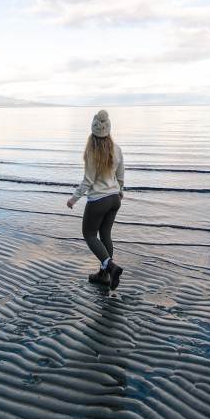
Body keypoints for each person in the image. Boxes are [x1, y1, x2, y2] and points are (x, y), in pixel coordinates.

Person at [66, 110, 125, 290]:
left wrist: (73, 199)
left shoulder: (92, 151)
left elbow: (89, 181)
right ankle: (104, 276)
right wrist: (120, 191)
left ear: (93, 131)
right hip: (115, 199)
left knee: (90, 235)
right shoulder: (117, 149)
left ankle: (111, 267)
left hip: (99, 200)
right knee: (105, 234)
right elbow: (121, 175)